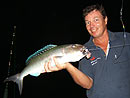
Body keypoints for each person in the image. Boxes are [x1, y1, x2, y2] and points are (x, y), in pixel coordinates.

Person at [44, 4, 130, 98]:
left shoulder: (125, 38)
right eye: (88, 22)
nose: (91, 26)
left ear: (105, 20)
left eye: (96, 20)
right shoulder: (83, 50)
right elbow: (88, 84)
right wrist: (67, 66)